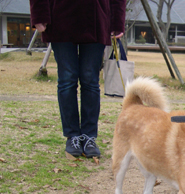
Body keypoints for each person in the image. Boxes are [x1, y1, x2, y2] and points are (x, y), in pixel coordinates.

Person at [29, 0, 126, 158]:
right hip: (60, 15)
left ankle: (89, 136)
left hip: (96, 15)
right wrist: (39, 13)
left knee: (90, 81)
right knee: (67, 80)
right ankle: (72, 136)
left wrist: (117, 20)